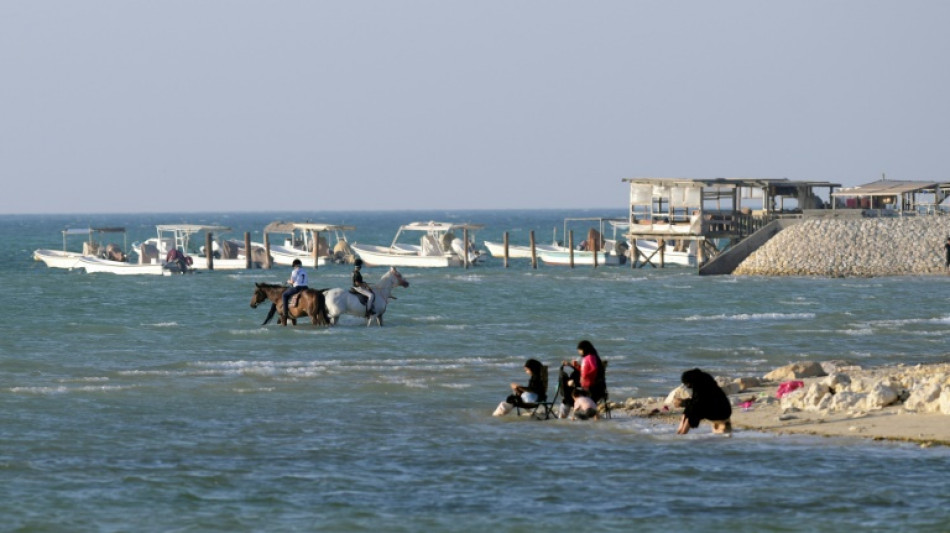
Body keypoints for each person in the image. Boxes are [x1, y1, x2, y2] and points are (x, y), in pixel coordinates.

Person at [674, 368, 732, 435]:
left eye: (687, 384)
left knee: (694, 409)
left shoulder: (701, 386)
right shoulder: (703, 381)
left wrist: (682, 403)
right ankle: (680, 430)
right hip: (720, 409)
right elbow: (696, 401)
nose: (687, 386)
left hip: (721, 412)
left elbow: (698, 403)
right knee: (690, 408)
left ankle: (683, 433)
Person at [281, 259, 309, 323]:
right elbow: (306, 281)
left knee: (284, 295)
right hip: (306, 288)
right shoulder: (305, 271)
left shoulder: (294, 271)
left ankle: (285, 313)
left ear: (295, 265)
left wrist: (287, 281)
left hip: (298, 288)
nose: (294, 267)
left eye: (294, 266)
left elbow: (292, 282)